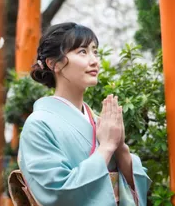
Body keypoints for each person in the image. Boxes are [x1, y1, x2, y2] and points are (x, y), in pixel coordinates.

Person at [17, 22, 151, 206]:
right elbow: (57, 193)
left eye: (95, 51)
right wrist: (106, 148)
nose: (95, 60)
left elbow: (135, 185)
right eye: (82, 51)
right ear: (53, 63)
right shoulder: (38, 124)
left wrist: (120, 148)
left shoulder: (98, 122)